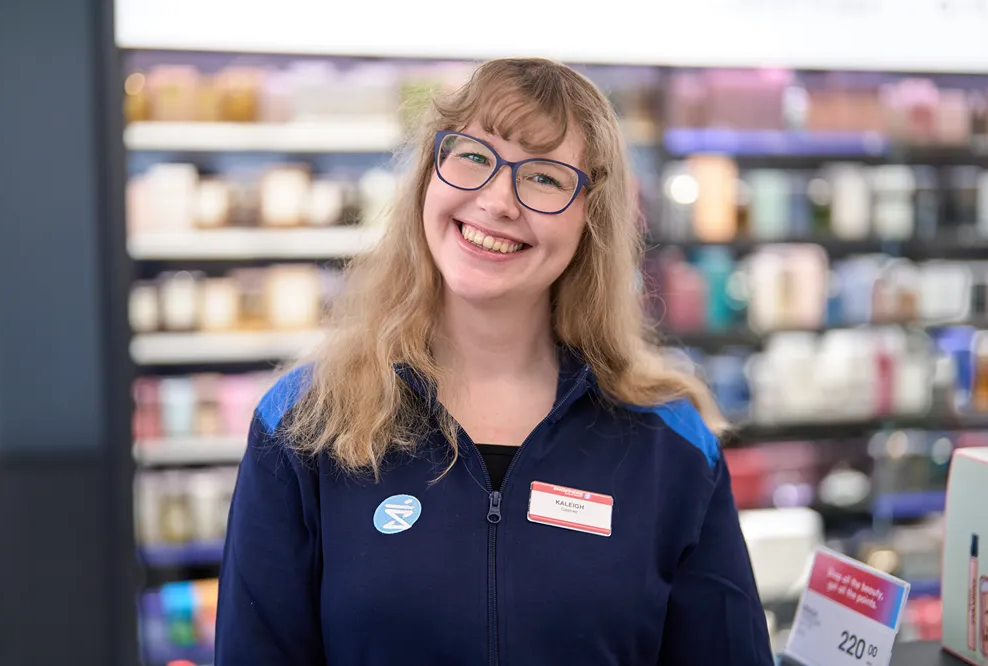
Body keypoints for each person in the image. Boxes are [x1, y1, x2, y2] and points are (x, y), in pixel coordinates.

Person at [215, 57, 774, 666]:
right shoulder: (305, 423)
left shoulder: (672, 444)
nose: (498, 200)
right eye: (474, 156)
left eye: (545, 177)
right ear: (427, 178)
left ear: (591, 218)